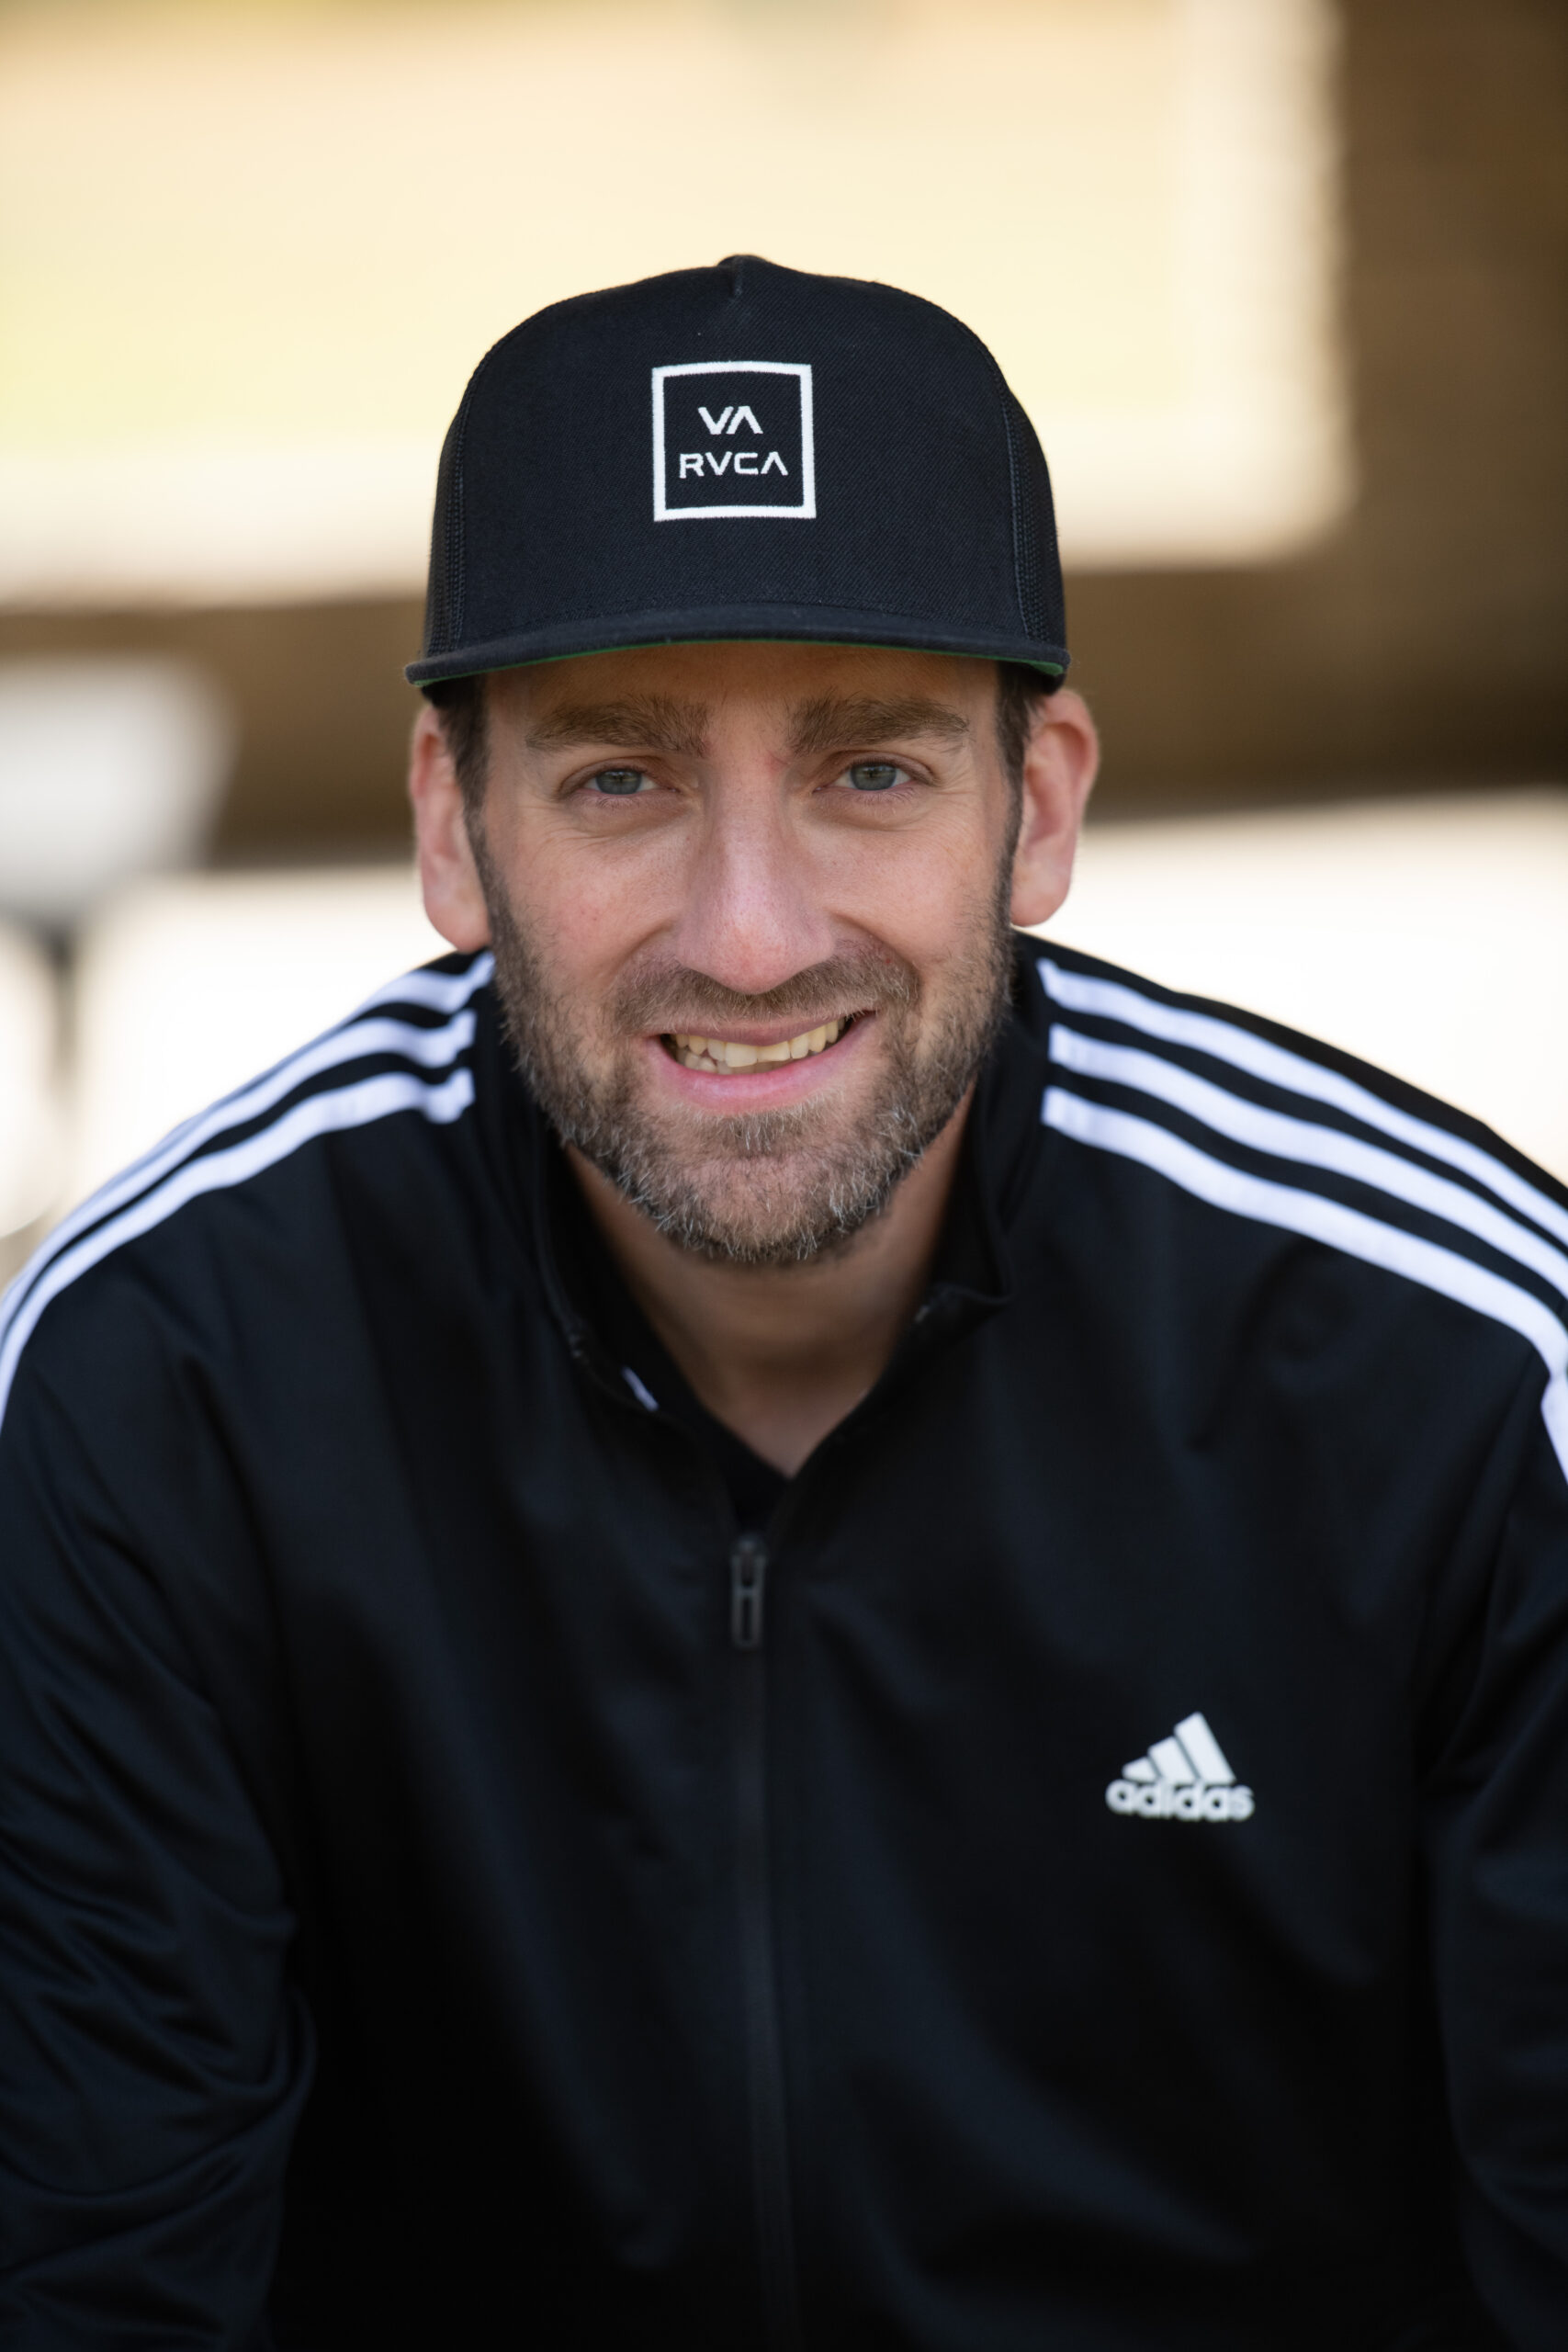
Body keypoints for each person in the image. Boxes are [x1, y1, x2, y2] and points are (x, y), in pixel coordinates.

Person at [1, 255, 1563, 2351]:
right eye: (619, 780)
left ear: (1042, 802)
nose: (749, 937)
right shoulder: (163, 1377)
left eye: (872, 772)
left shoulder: (1456, 1371)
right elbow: (99, 2270)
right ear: (450, 830)